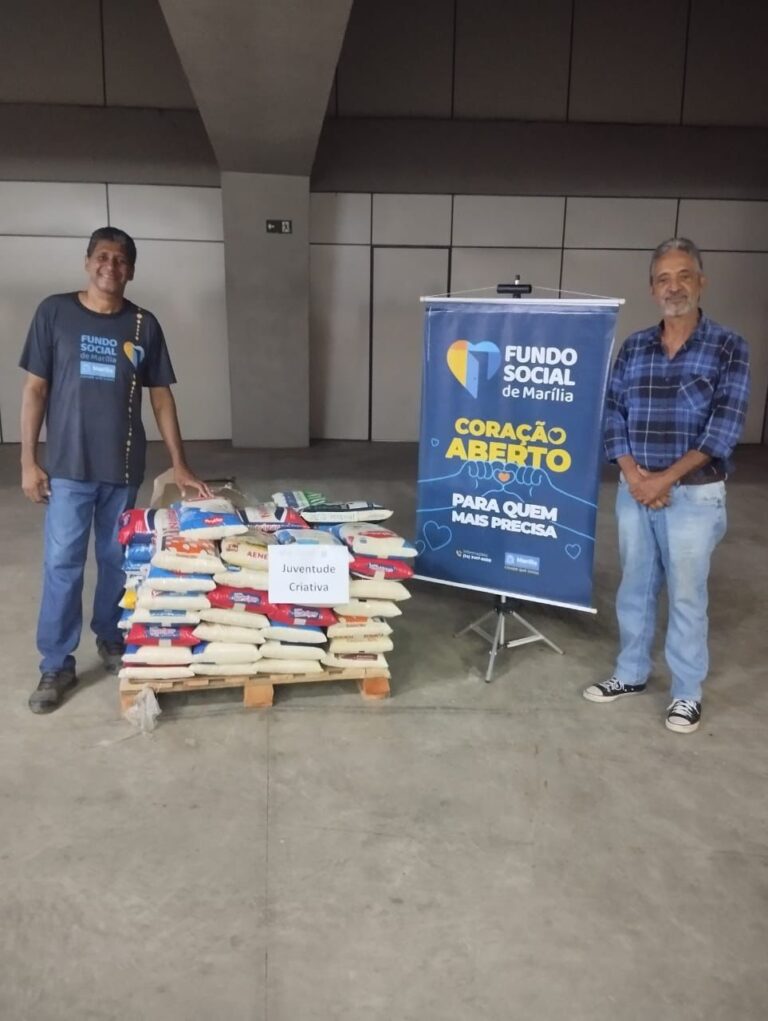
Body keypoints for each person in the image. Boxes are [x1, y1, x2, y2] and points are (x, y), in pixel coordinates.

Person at [19, 226, 211, 714]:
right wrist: (27, 461)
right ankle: (56, 663)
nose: (111, 266)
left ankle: (110, 635)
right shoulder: (54, 313)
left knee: (115, 560)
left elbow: (162, 397)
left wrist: (180, 463)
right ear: (88, 262)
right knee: (62, 563)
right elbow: (35, 389)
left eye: (121, 259)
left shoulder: (143, 325)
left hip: (122, 467)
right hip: (68, 468)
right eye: (103, 257)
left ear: (131, 270)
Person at [583, 237, 750, 733]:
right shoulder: (634, 347)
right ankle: (631, 672)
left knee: (686, 596)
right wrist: (636, 476)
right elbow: (613, 414)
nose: (673, 287)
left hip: (694, 495)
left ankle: (686, 693)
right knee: (634, 587)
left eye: (683, 276)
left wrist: (663, 480)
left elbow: (724, 428)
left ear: (701, 282)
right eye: (663, 279)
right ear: (652, 289)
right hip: (635, 491)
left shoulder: (729, 347)